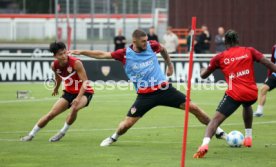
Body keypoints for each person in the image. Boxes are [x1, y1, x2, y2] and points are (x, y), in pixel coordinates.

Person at [70, 29, 226, 147]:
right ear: (135, 41)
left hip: (164, 90)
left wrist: (169, 64)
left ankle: (217, 130)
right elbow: (102, 54)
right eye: (143, 41)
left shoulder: (153, 45)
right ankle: (114, 137)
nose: (146, 43)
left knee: (194, 108)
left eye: (147, 40)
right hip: (145, 96)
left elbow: (164, 49)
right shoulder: (124, 54)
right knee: (126, 125)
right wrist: (82, 52)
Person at [193, 30, 276, 158]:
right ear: (238, 40)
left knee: (215, 120)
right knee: (247, 105)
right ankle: (248, 138)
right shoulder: (249, 51)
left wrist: (206, 67)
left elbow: (203, 75)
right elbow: (269, 64)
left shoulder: (220, 57)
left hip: (235, 94)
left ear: (225, 42)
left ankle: (204, 144)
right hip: (252, 93)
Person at [20, 41, 94, 142]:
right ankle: (31, 135)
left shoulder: (76, 63)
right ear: (55, 56)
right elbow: (58, 78)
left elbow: (85, 82)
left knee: (74, 108)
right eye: (60, 54)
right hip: (69, 93)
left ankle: (62, 132)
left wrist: (78, 98)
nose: (64, 56)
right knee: (50, 114)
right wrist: (56, 88)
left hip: (85, 91)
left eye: (65, 52)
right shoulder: (54, 65)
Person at [254, 44, 276, 117]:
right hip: (275, 74)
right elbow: (272, 62)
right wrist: (269, 76)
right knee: (263, 89)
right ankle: (259, 111)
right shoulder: (274, 47)